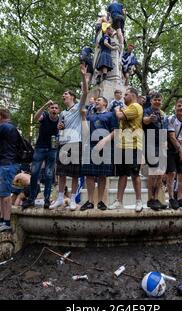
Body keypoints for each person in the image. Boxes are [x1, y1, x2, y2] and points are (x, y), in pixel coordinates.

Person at [51, 65, 89, 210]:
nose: (63, 96)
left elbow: (85, 92)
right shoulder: (63, 113)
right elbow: (60, 127)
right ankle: (60, 198)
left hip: (75, 143)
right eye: (63, 94)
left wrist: (83, 77)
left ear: (72, 96)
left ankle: (73, 199)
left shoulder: (79, 107)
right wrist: (59, 127)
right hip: (63, 143)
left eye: (66, 94)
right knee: (61, 173)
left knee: (74, 174)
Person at [109, 87, 144, 212]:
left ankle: (139, 201)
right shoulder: (128, 107)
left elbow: (119, 116)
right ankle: (119, 201)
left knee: (135, 174)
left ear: (133, 95)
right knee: (122, 174)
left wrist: (117, 109)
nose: (124, 97)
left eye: (126, 94)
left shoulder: (135, 106)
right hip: (122, 145)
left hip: (133, 145)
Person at [80, 96, 118, 210]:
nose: (96, 101)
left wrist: (104, 140)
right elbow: (86, 131)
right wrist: (83, 116)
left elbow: (116, 131)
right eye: (96, 101)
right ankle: (90, 201)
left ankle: (101, 201)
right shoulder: (90, 115)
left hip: (106, 146)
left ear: (105, 104)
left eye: (99, 100)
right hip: (91, 145)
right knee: (89, 175)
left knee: (102, 175)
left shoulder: (111, 115)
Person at [22, 100, 60, 209]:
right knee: (34, 173)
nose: (53, 109)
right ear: (49, 109)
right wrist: (45, 105)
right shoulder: (44, 116)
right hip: (40, 148)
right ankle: (31, 199)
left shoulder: (60, 120)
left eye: (55, 108)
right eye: (52, 108)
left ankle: (47, 200)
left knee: (49, 175)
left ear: (58, 110)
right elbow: (35, 118)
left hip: (52, 149)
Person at [165, 99, 182, 210]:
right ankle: (171, 198)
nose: (181, 108)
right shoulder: (171, 119)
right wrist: (180, 151)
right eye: (179, 106)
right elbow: (171, 137)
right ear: (175, 107)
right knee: (171, 173)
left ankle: (180, 198)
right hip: (171, 149)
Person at [142, 92, 167, 211]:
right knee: (153, 172)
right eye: (155, 99)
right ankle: (150, 199)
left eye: (159, 100)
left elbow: (164, 130)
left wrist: (164, 144)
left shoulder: (162, 114)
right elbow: (145, 121)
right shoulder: (147, 110)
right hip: (150, 142)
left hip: (161, 144)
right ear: (151, 101)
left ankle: (156, 198)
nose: (157, 101)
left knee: (160, 173)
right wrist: (150, 119)